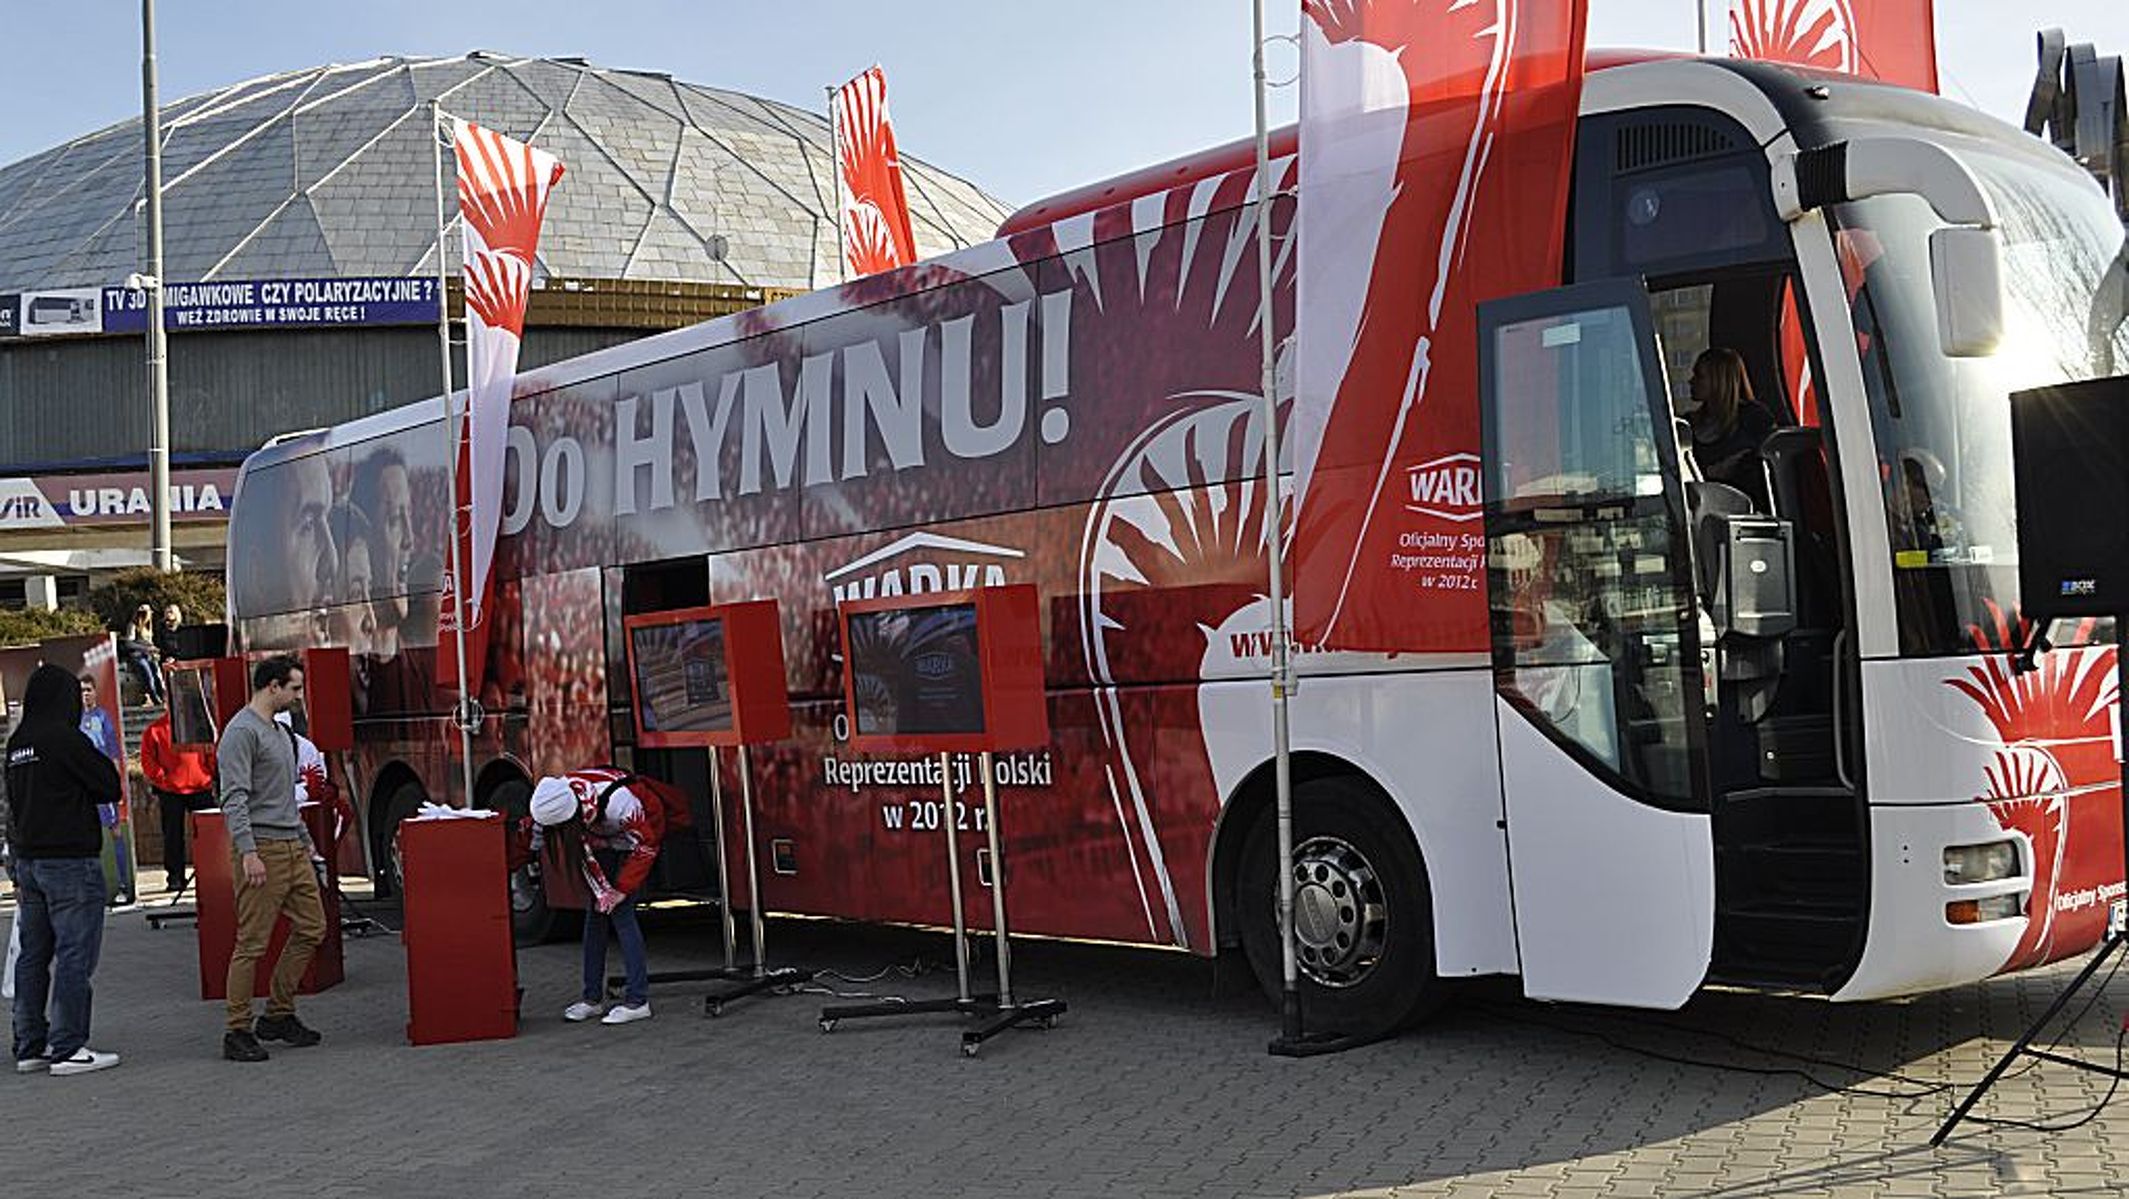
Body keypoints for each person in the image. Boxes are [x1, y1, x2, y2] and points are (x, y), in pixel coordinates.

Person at [6, 664, 123, 1075]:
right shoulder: (64, 738)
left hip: (30, 863)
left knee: (33, 955)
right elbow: (108, 784)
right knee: (76, 953)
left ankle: (29, 1045)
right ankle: (69, 1046)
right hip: (71, 863)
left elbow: (12, 810)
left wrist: (14, 867)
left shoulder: (18, 743)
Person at [215, 655, 327, 1063]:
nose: (299, 697)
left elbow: (284, 797)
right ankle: (237, 1028)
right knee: (252, 943)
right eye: (294, 688)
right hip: (261, 847)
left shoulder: (280, 734)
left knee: (313, 927)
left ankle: (278, 1013)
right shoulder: (241, 732)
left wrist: (306, 844)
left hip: (290, 846)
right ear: (272, 687)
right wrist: (248, 852)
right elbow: (234, 797)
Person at [527, 767, 677, 1026]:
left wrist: (621, 889)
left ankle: (638, 1001)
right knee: (595, 913)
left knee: (621, 913)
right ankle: (591, 999)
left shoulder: (622, 804)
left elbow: (647, 845)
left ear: (570, 820)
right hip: (601, 838)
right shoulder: (552, 800)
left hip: (633, 839)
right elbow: (536, 836)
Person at [1681, 347, 1778, 507]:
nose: (1691, 381)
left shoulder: (1754, 417)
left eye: (1699, 376)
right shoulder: (1687, 425)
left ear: (1719, 380)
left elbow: (1773, 463)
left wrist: (1738, 464)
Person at [139, 710, 215, 894]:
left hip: (200, 785)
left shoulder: (198, 725)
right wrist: (162, 779)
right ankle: (175, 877)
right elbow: (148, 759)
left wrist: (210, 773)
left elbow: (212, 750)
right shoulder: (155, 729)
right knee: (172, 836)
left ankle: (211, 874)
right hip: (171, 789)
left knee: (209, 835)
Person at [118, 605, 166, 705]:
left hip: (149, 655)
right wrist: (146, 648)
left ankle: (162, 697)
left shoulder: (149, 627)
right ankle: (155, 698)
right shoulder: (133, 625)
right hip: (137, 655)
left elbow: (149, 642)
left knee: (157, 676)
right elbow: (129, 643)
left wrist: (154, 649)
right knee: (148, 675)